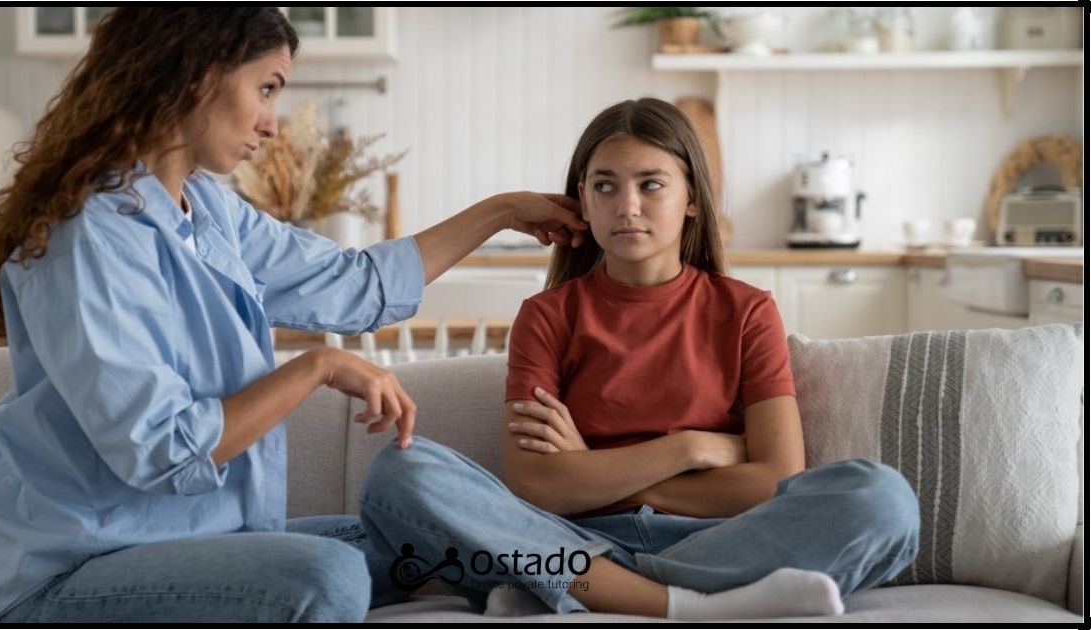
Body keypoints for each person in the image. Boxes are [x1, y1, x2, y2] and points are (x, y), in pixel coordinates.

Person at [0, 8, 586, 624]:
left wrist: (502, 210)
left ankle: (649, 579)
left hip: (197, 543)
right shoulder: (86, 235)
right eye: (265, 89)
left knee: (431, 533)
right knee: (328, 574)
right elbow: (163, 450)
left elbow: (354, 286)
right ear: (197, 73)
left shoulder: (205, 208)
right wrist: (316, 366)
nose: (271, 124)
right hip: (74, 573)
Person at [359, 98, 921, 620]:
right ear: (582, 199)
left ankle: (575, 588)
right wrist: (690, 449)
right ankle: (692, 607)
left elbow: (773, 478)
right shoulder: (548, 315)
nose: (626, 207)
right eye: (604, 187)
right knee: (402, 472)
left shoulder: (748, 311)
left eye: (651, 184)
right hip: (569, 536)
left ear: (692, 198)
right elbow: (537, 486)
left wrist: (598, 475)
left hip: (708, 542)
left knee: (882, 498)